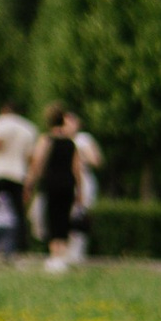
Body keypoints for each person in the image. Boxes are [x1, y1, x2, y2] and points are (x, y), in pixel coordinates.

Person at [26, 108, 80, 272]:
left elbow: (37, 162)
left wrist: (30, 183)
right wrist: (81, 190)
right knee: (64, 218)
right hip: (68, 184)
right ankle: (62, 255)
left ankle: (54, 255)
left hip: (51, 183)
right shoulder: (71, 143)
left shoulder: (46, 139)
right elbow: (77, 168)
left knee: (52, 216)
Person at [0, 105, 37, 254]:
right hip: (18, 173)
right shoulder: (29, 127)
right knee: (18, 211)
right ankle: (21, 245)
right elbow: (30, 157)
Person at [68, 119, 103, 263]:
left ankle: (77, 253)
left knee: (80, 215)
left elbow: (96, 160)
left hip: (83, 178)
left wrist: (80, 155)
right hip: (67, 179)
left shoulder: (83, 139)